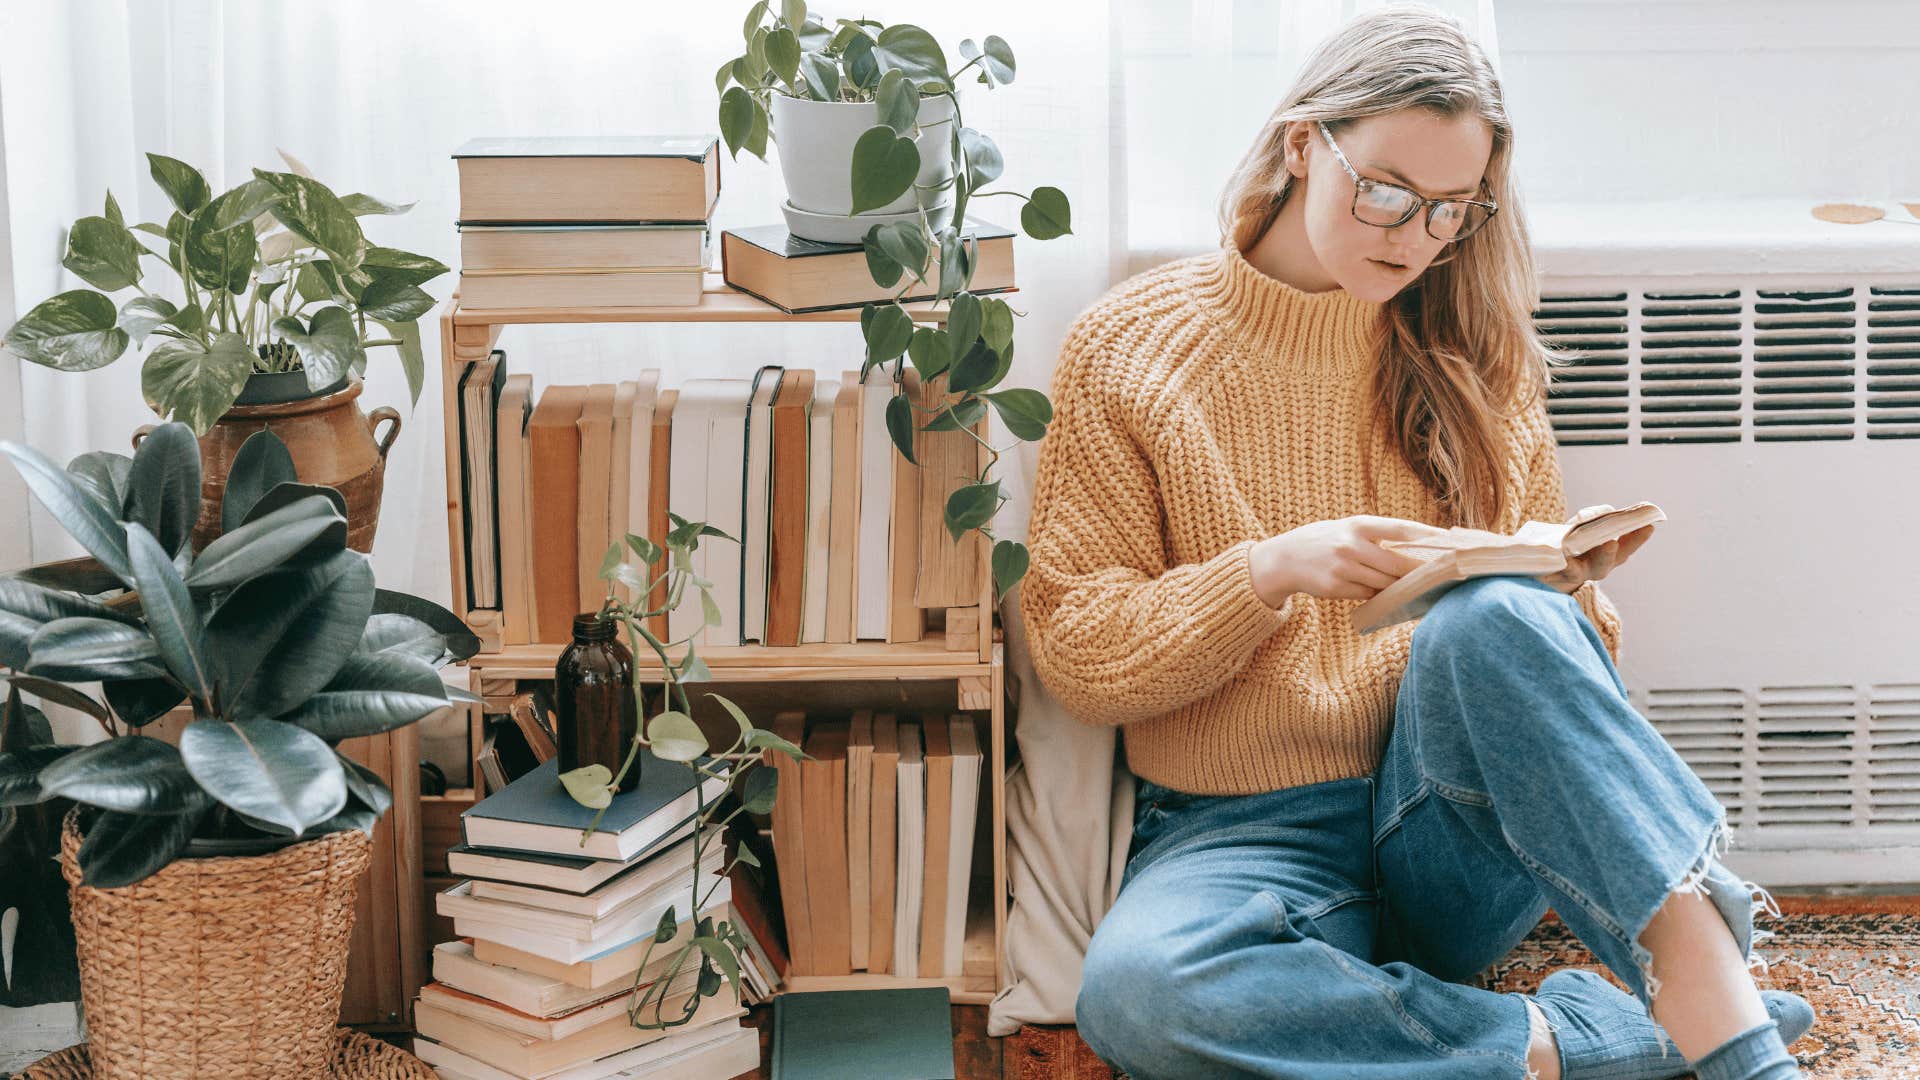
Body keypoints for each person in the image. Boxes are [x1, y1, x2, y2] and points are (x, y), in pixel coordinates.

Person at [1019, 6, 1816, 1079]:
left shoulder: (1472, 351)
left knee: (1499, 612)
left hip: (1452, 817)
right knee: (1136, 998)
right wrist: (1267, 570)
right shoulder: (1133, 347)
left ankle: (1720, 1009)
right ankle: (1575, 1040)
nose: (1412, 234)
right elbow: (1078, 648)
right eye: (1386, 190)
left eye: (1450, 210)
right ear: (1305, 144)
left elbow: (1548, 699)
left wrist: (1566, 593)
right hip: (1242, 835)